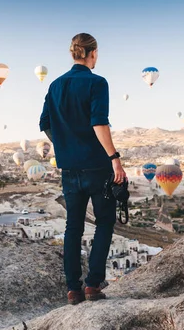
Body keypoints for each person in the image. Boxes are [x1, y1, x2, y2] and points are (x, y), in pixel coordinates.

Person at [39, 33, 126, 305]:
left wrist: (65, 145)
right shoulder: (97, 83)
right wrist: (114, 157)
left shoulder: (55, 85)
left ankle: (73, 289)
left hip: (69, 169)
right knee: (104, 223)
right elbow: (99, 123)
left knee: (73, 227)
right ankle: (93, 284)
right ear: (93, 53)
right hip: (98, 167)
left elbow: (45, 123)